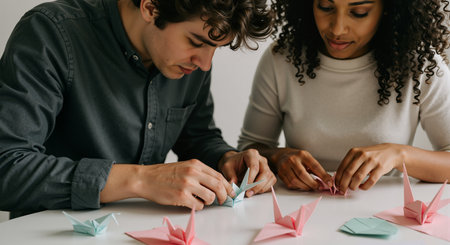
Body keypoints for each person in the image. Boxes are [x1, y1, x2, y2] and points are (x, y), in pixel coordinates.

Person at [0, 0, 278, 218]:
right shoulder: (51, 33)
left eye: (216, 47)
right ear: (151, 7)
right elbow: (6, 167)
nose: (205, 63)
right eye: (196, 42)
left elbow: (198, 137)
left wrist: (226, 159)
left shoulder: (191, 62)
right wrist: (141, 180)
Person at [238, 0, 450, 194]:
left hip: (381, 215)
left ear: (388, 9)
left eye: (359, 13)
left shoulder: (421, 67)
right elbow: (249, 149)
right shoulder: (282, 59)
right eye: (325, 7)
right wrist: (276, 157)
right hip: (299, 212)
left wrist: (399, 155)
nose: (337, 28)